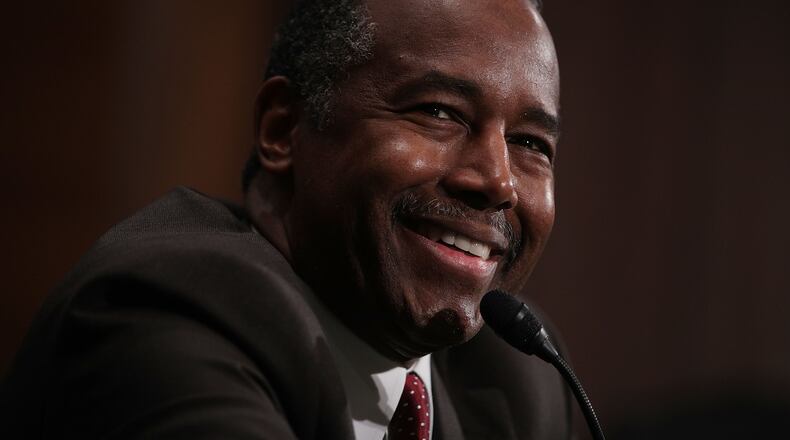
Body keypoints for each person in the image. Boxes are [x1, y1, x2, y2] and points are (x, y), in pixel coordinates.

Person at [0, 0, 571, 438]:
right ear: (282, 129)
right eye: (439, 113)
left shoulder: (518, 378)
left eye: (530, 143)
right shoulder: (168, 312)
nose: (498, 181)